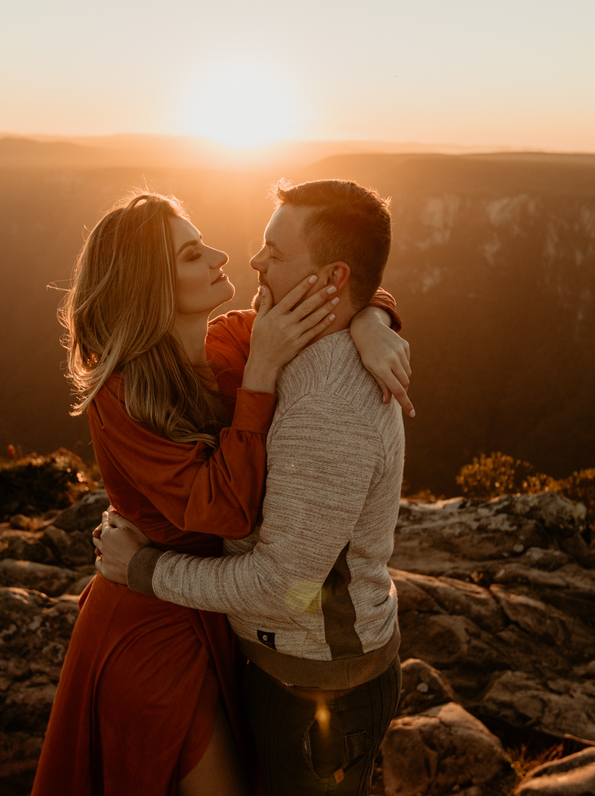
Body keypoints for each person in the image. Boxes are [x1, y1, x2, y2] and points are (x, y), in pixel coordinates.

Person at [31, 190, 411, 796]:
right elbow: (229, 513)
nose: (223, 255)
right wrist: (261, 376)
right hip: (154, 619)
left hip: (230, 610)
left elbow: (337, 291)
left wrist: (374, 318)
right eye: (190, 254)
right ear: (150, 285)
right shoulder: (122, 394)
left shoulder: (232, 340)